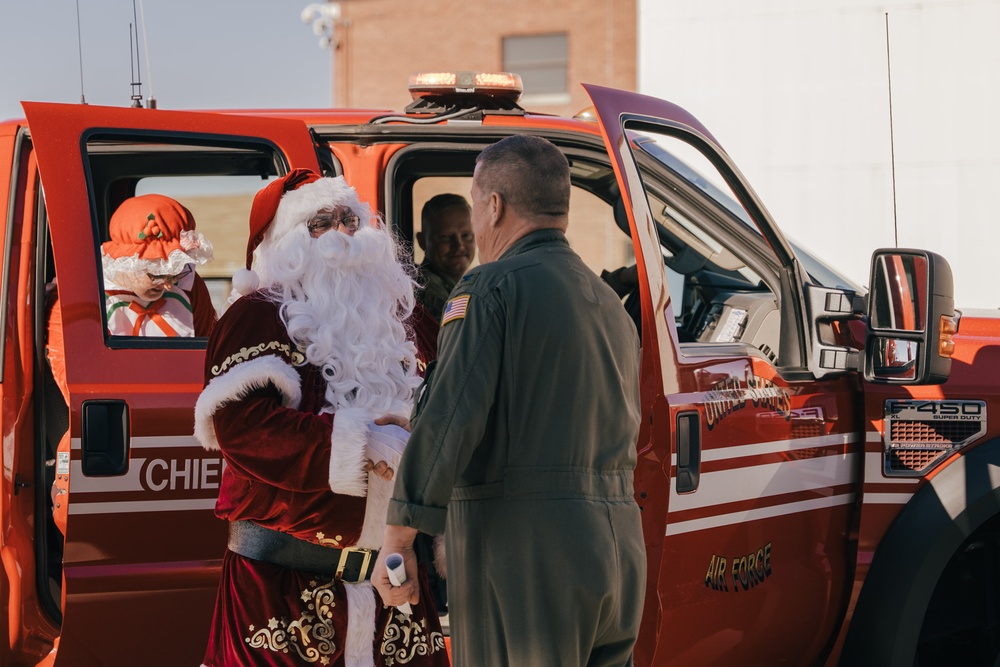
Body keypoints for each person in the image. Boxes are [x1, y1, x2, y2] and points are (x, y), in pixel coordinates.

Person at [374, 135, 647, 666]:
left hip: (530, 558)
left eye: (475, 205)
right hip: (617, 553)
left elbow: (453, 419)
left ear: (493, 205)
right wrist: (418, 416)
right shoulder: (608, 301)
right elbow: (557, 411)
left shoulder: (489, 287)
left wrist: (400, 539)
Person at [193, 169, 449, 667]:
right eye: (321, 222)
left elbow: (446, 411)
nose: (341, 233)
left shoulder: (407, 317)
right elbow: (242, 428)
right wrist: (362, 442)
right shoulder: (257, 315)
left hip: (395, 582)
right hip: (282, 591)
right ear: (286, 242)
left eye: (350, 218)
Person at [46, 193, 216, 535]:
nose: (169, 283)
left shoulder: (190, 288)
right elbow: (73, 382)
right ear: (128, 262)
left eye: (179, 268)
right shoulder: (77, 294)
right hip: (112, 429)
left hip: (180, 425)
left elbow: (213, 355)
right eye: (156, 273)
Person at [415, 193, 475, 322]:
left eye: (466, 235)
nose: (459, 245)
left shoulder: (460, 286)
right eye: (445, 237)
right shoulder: (426, 291)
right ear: (422, 241)